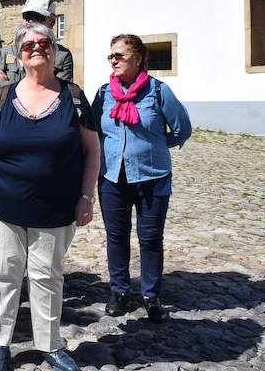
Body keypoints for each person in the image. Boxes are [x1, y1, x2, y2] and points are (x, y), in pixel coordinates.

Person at [0, 22, 99, 371]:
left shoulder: (72, 96)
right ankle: (0, 344)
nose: (37, 48)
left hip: (55, 205)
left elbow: (92, 149)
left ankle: (50, 345)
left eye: (45, 43)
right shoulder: (3, 96)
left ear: (54, 51)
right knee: (4, 273)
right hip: (4, 203)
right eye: (29, 45)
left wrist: (86, 197)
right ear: (18, 56)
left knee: (47, 276)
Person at [91, 34, 191, 323]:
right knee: (117, 237)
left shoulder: (159, 91)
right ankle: (119, 292)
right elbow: (95, 131)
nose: (113, 60)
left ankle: (151, 295)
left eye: (120, 55)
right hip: (112, 177)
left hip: (153, 177)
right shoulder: (103, 94)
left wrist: (157, 147)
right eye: (111, 56)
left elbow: (182, 129)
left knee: (150, 239)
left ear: (138, 59)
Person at [0, 0, 73, 101]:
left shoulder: (62, 55)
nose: (31, 22)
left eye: (38, 18)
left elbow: (60, 93)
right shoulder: (4, 53)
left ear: (52, 22)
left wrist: (7, 85)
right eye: (28, 17)